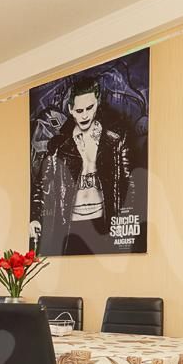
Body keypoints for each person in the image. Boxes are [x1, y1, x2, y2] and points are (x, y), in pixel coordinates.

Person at [32, 76, 131, 255]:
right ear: (71, 110)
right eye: (79, 110)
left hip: (103, 222)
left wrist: (129, 222)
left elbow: (129, 182)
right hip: (71, 225)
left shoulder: (115, 139)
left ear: (97, 104)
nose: (84, 115)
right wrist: (34, 218)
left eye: (89, 108)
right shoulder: (58, 146)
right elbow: (41, 185)